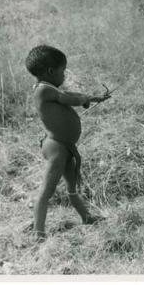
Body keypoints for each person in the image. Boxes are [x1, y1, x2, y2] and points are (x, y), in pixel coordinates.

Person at [25, 45, 110, 241]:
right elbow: (67, 99)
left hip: (65, 147)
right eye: (63, 70)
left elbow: (70, 97)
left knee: (72, 187)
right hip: (56, 147)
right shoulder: (43, 90)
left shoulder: (49, 88)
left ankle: (87, 217)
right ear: (51, 71)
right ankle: (39, 234)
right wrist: (86, 98)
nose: (64, 75)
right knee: (47, 190)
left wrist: (91, 98)